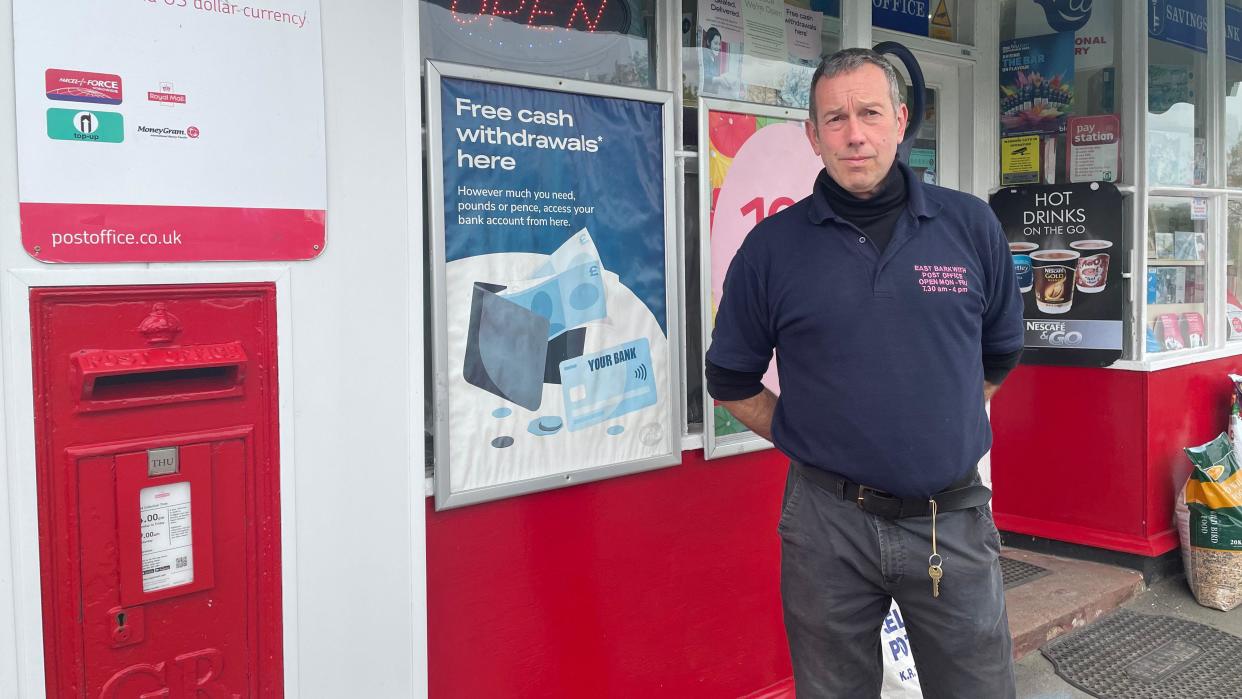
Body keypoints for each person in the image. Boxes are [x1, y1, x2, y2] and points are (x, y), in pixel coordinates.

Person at [705, 48, 1024, 698]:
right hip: (827, 524)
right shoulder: (772, 248)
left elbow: (998, 354)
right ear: (813, 136)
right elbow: (731, 380)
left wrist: (936, 422)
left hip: (951, 519)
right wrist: (807, 435)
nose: (855, 133)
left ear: (901, 120)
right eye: (837, 117)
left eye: (871, 113)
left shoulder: (969, 226)